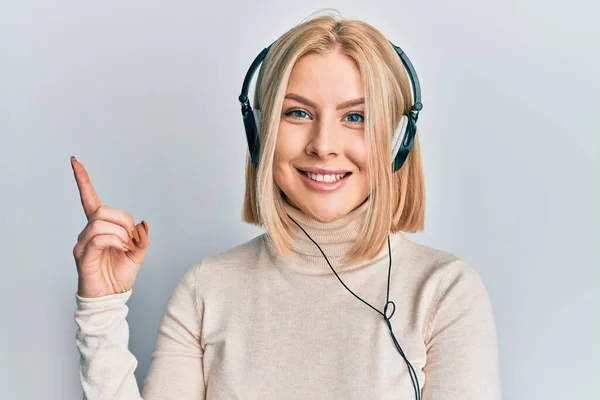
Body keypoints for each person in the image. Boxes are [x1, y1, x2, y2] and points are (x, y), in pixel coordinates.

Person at [72, 14, 501, 400]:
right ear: (260, 135)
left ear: (398, 141)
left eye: (355, 117)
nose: (323, 145)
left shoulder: (444, 292)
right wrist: (102, 311)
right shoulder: (206, 290)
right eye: (297, 113)